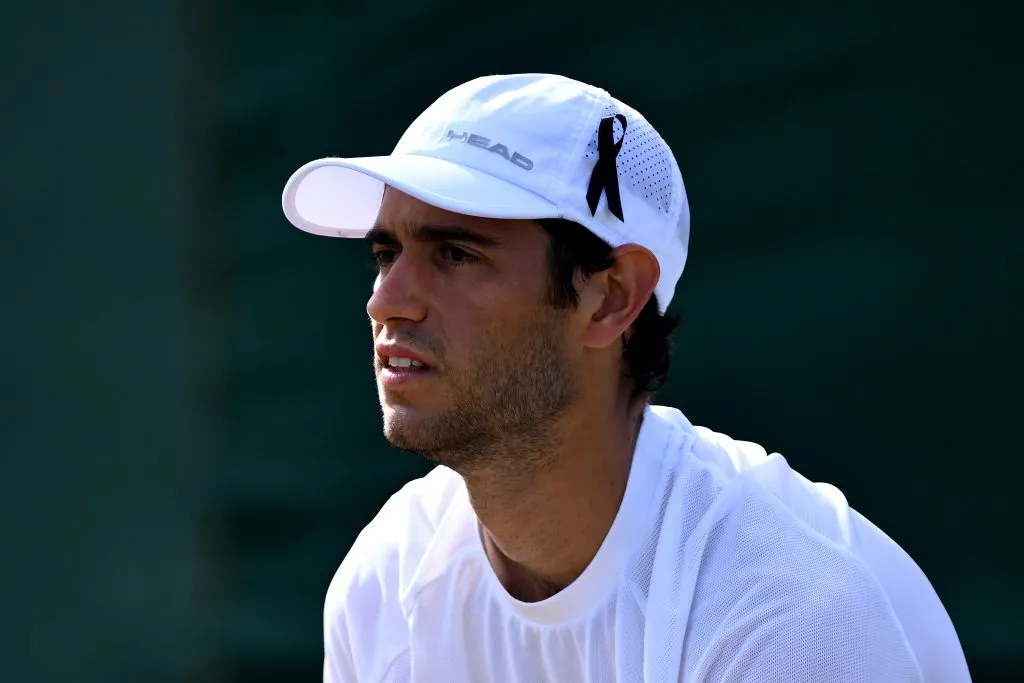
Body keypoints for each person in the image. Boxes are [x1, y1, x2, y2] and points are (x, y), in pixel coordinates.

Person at [281, 73, 971, 683]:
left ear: (612, 298)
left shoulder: (799, 618)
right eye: (385, 252)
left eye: (457, 254)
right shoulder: (384, 581)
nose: (385, 301)